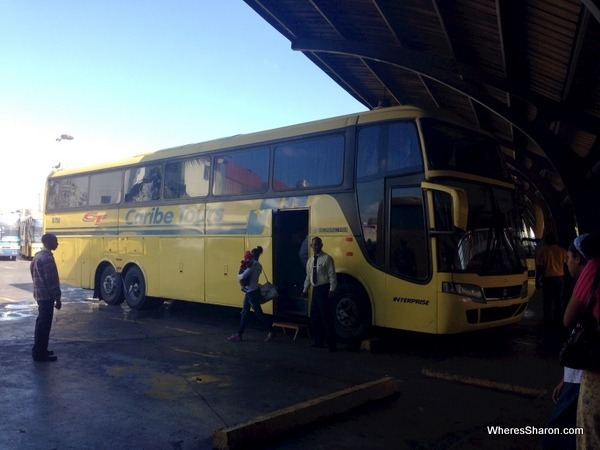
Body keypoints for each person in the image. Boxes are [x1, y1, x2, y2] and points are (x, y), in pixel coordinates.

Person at [541, 235, 590, 449]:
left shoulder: (588, 289)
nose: (567, 262)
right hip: (575, 379)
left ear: (578, 259)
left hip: (582, 381)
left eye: (569, 258)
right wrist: (564, 379)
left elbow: (568, 320)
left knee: (555, 438)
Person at [563, 233, 600, 449]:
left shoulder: (594, 267)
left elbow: (568, 318)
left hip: (597, 370)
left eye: (569, 257)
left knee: (590, 436)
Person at [228, 246, 276, 342]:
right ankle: (239, 334)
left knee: (258, 313)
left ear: (253, 256)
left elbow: (242, 276)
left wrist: (239, 272)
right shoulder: (259, 265)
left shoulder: (253, 265)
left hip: (251, 293)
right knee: (245, 312)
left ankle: (271, 331)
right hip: (252, 291)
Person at [301, 236, 338, 352]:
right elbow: (308, 276)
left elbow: (332, 275)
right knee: (315, 317)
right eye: (313, 245)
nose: (315, 247)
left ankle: (332, 344)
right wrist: (305, 290)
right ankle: (318, 342)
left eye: (318, 245)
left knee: (326, 317)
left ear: (321, 245)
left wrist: (332, 289)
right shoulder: (310, 260)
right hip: (316, 290)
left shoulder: (327, 258)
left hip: (324, 289)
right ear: (311, 246)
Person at [30, 233, 62, 362]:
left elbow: (33, 274)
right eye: (55, 241)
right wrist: (57, 298)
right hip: (47, 296)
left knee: (41, 323)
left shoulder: (37, 257)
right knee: (44, 325)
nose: (57, 244)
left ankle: (40, 350)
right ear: (49, 243)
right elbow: (52, 281)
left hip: (39, 295)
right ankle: (40, 353)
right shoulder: (47, 259)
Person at [536, 233, 568, 327]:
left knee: (547, 301)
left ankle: (547, 321)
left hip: (547, 279)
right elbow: (567, 265)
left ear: (546, 241)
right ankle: (558, 320)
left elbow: (540, 267)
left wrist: (537, 280)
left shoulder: (543, 252)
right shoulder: (563, 251)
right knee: (558, 300)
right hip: (559, 278)